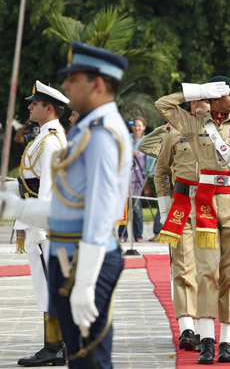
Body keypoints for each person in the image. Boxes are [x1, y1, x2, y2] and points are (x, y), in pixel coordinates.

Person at [0, 41, 131, 368]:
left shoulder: (102, 134)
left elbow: (99, 217)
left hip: (83, 259)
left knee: (90, 360)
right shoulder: (87, 128)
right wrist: (12, 209)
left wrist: (85, 282)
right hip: (68, 252)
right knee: (79, 359)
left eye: (73, 79)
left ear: (97, 84)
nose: (66, 86)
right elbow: (68, 207)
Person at [155, 77, 230, 364]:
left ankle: (228, 341)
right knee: (206, 273)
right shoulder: (194, 124)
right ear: (215, 97)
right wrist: (198, 92)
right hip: (203, 205)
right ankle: (207, 340)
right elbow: (163, 104)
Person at [12, 81, 69, 367]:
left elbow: (48, 187)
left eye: (34, 103)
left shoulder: (52, 141)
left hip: (47, 224)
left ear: (48, 109)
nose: (29, 106)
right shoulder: (46, 137)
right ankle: (55, 345)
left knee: (50, 284)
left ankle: (56, 346)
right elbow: (30, 182)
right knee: (45, 284)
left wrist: (38, 227)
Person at [153, 98, 210, 351]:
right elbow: (161, 171)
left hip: (212, 205)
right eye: (202, 99)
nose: (207, 104)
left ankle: (203, 328)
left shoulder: (220, 133)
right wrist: (165, 208)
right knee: (183, 265)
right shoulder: (173, 133)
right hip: (183, 203)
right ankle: (187, 327)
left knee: (207, 268)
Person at [120, 116, 153, 242]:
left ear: (144, 127)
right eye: (135, 125)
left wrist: (136, 152)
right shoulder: (126, 137)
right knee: (123, 208)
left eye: (139, 125)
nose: (136, 127)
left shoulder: (146, 140)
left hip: (139, 176)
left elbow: (148, 155)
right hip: (125, 176)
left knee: (137, 208)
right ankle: (123, 235)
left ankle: (138, 235)